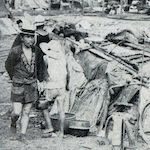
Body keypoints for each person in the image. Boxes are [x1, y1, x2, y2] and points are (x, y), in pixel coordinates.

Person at [5, 23, 48, 142]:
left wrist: (41, 80)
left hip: (31, 85)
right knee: (17, 112)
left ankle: (22, 135)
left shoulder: (37, 51)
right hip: (18, 85)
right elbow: (8, 65)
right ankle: (13, 123)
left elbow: (41, 67)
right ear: (22, 38)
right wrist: (15, 77)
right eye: (28, 37)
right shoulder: (15, 51)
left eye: (32, 37)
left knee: (27, 111)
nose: (30, 39)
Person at [38, 40, 69, 138]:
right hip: (61, 86)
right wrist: (67, 85)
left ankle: (50, 127)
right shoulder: (63, 58)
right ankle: (61, 132)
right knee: (61, 110)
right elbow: (68, 73)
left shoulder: (46, 58)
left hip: (51, 86)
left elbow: (44, 72)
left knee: (44, 106)